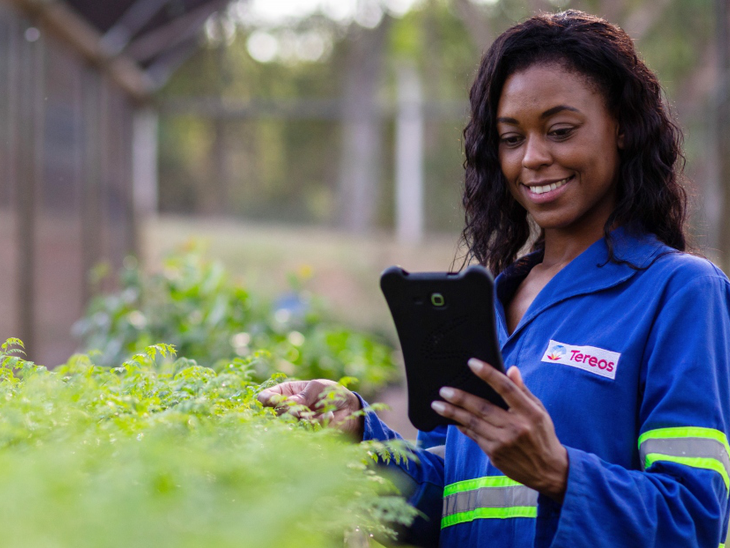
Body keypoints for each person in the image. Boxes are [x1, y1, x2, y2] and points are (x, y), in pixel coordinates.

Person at [259, 10, 730, 548]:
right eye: (511, 138)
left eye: (560, 131)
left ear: (622, 127)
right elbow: (449, 503)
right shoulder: (480, 309)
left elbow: (694, 517)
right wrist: (363, 437)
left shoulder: (680, 293)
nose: (532, 158)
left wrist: (558, 471)